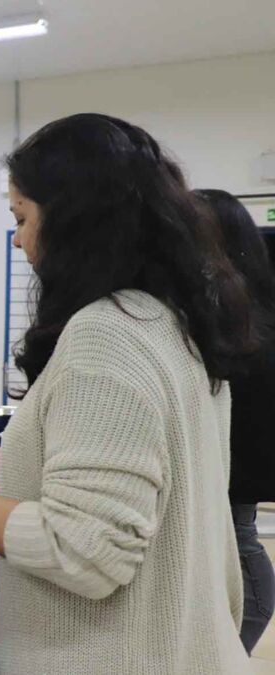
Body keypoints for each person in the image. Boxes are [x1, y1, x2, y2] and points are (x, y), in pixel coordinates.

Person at [0, 114, 254, 672]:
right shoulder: (175, 324)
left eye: (22, 217)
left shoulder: (106, 333)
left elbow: (82, 554)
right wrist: (22, 470)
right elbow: (148, 493)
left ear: (76, 221)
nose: (18, 239)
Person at [195, 188, 275, 654]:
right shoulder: (244, 301)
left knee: (241, 551)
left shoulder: (234, 312)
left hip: (233, 468)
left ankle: (227, 653)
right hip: (231, 469)